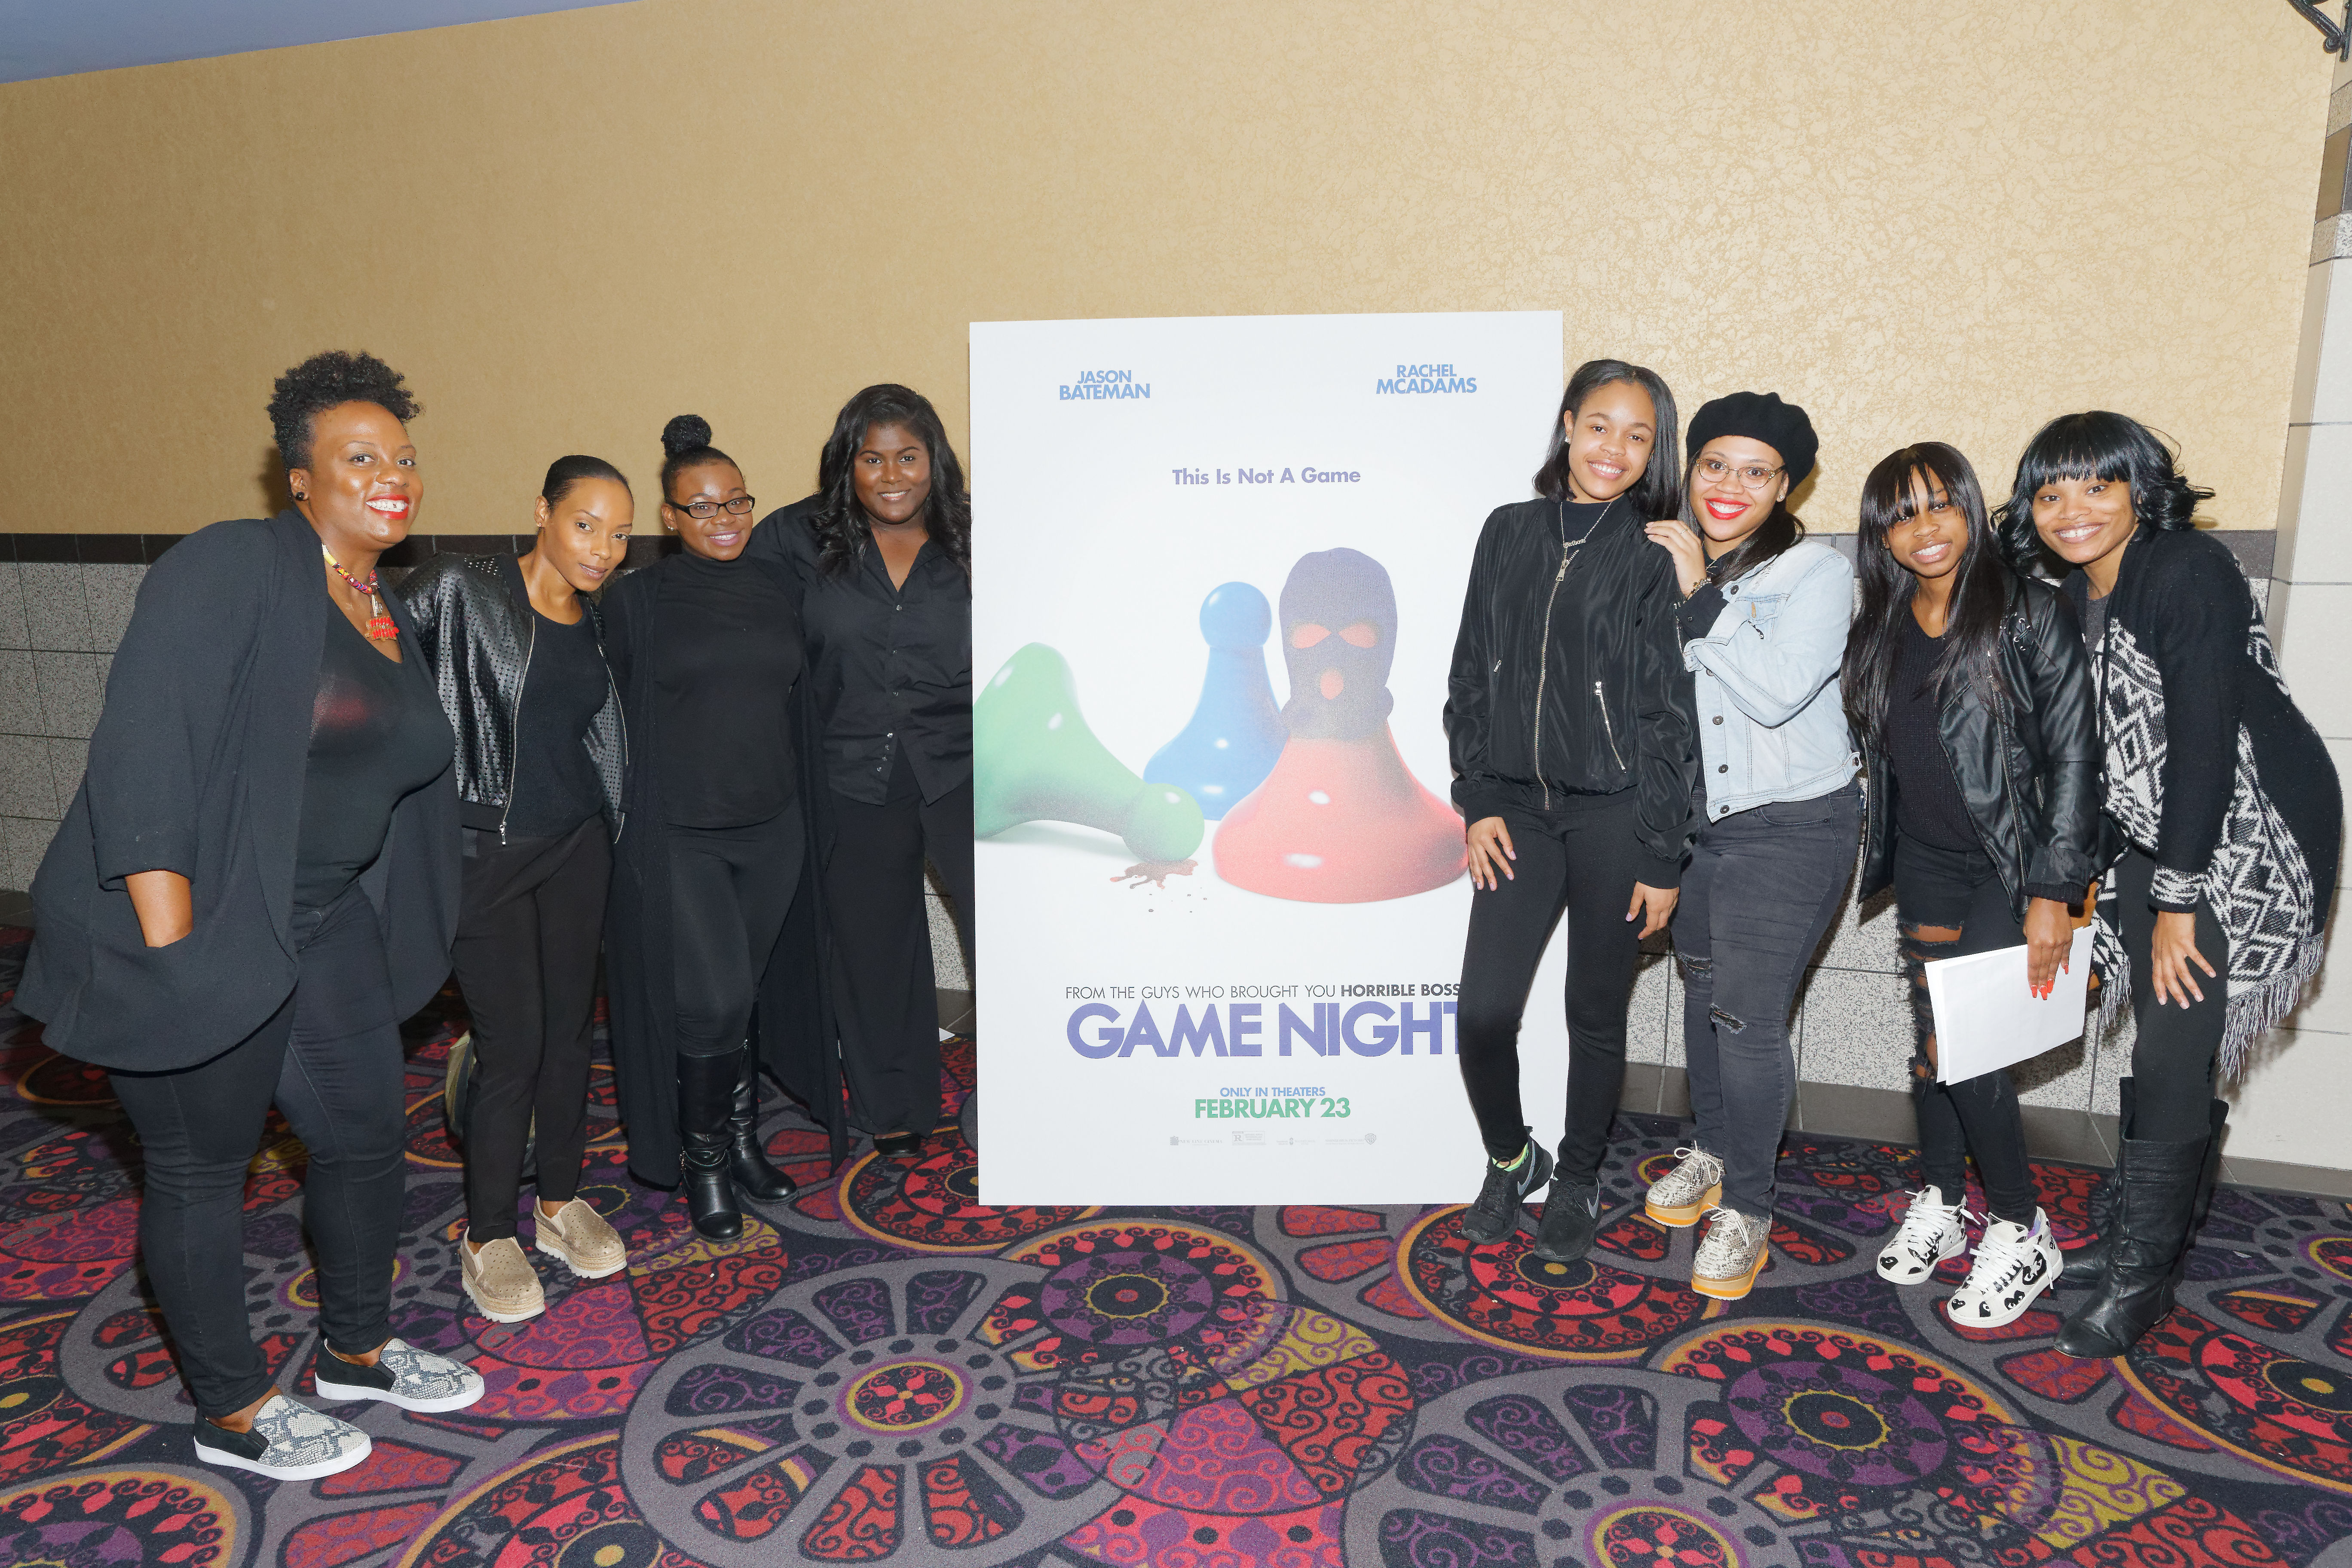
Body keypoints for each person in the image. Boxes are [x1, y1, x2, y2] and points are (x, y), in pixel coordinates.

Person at [17, 351, 481, 1478]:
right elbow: (145, 750)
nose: (391, 476)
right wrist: (175, 953)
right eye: (360, 457)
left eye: (404, 457)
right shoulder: (233, 565)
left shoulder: (382, 606)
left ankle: (357, 1352)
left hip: (321, 924)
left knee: (366, 1136)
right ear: (299, 479)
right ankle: (229, 1411)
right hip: (200, 923)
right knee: (200, 1168)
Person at [1999, 410, 2341, 1359]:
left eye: (2097, 485)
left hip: (2253, 835)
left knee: (2172, 1040)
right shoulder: (2074, 593)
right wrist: (2072, 879)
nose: (2072, 509)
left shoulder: (2187, 569)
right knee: (2166, 1037)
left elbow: (2201, 745)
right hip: (2163, 825)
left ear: (2141, 491)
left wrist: (2178, 901)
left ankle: (2141, 1280)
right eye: (2050, 491)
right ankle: (2141, 1236)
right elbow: (2097, 758)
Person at [1444, 359, 1699, 1261]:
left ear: (1654, 451)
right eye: (1599, 426)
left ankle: (1580, 1177)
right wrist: (1478, 797)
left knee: (1593, 1011)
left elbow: (1671, 715)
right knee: (1483, 1012)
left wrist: (1661, 853)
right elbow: (1471, 672)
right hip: (1516, 811)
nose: (1614, 450)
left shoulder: (1655, 552)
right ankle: (1513, 1157)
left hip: (1615, 817)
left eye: (1637, 436)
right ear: (1567, 424)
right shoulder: (1507, 531)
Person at [1844, 443, 2097, 1328]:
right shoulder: (1882, 624)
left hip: (2012, 868)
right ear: (1881, 536)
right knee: (1934, 1045)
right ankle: (1946, 1202)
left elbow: (2076, 757)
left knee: (1976, 1048)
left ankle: (2023, 1227)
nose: (1924, 528)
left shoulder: (2028, 611)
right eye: (1901, 515)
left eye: (1940, 504)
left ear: (1971, 509)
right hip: (1927, 861)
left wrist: (2055, 889)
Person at [399, 457, 635, 1322]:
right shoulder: (463, 586)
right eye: (586, 525)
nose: (603, 548)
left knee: (570, 1035)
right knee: (515, 1046)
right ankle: (488, 1233)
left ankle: (558, 1203)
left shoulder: (596, 615)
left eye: (620, 534)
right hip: (486, 855)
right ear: (543, 512)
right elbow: (369, 654)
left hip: (577, 847)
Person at [1639, 392, 1857, 1302]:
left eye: (1756, 471)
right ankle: (1715, 1152)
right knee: (1702, 995)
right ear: (1691, 470)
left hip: (1791, 825)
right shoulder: (1662, 558)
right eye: (1715, 465)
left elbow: (1774, 693)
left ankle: (1750, 1208)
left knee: (1746, 1019)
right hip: (1698, 823)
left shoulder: (1816, 574)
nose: (1731, 486)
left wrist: (1699, 594)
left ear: (1786, 485)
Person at [604, 415, 840, 1240]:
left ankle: (742, 1141)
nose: (725, 519)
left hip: (772, 829)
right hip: (682, 836)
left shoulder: (779, 587)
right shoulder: (637, 600)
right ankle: (703, 1160)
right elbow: (600, 715)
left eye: (737, 501)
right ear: (670, 517)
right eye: (702, 507)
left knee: (745, 995)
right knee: (714, 999)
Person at [752, 385, 972, 1158]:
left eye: (908, 456)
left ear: (934, 459)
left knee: (1009, 932)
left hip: (966, 769)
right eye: (872, 458)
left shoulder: (979, 537)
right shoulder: (795, 539)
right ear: (846, 463)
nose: (891, 475)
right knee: (874, 946)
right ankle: (898, 1107)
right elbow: (734, 619)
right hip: (850, 771)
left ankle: (1030, 1088)